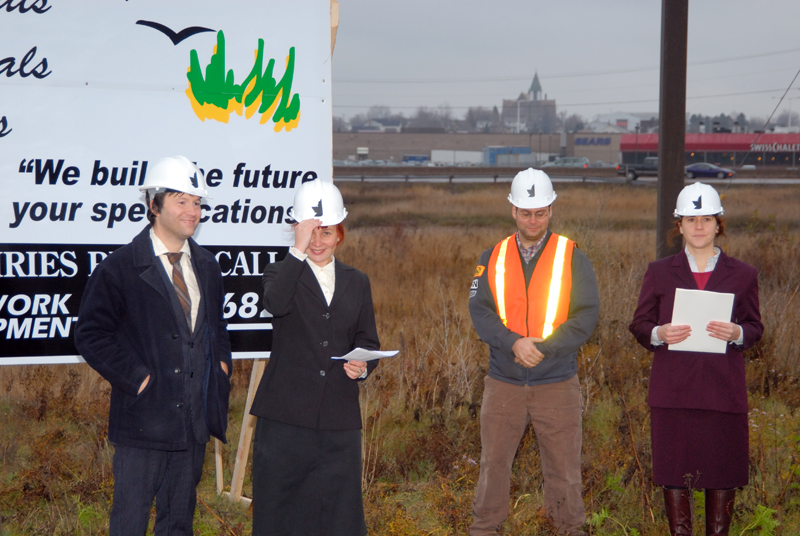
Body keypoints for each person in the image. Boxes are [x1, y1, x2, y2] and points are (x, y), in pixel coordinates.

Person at [74, 156, 232, 536]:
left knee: (178, 523)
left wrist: (222, 368)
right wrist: (139, 378)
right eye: (181, 201)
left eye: (197, 202)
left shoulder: (208, 266)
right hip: (143, 423)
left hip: (192, 424)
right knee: (129, 522)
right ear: (153, 205)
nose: (192, 211)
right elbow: (91, 334)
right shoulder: (119, 267)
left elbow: (217, 330)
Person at [468, 168, 599, 536]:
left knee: (563, 472)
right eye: (526, 212)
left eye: (540, 212)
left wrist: (543, 348)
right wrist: (514, 343)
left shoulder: (572, 255)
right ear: (512, 210)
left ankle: (568, 530)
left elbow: (586, 315)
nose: (533, 220)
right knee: (493, 466)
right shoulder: (491, 257)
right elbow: (480, 311)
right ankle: (485, 530)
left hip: (556, 381)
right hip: (503, 381)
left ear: (552, 208)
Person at [629, 182, 763, 536]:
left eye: (706, 219)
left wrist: (738, 334)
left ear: (719, 224)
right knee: (675, 475)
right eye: (691, 219)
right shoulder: (659, 272)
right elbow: (640, 324)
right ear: (680, 226)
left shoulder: (744, 274)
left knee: (722, 474)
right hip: (673, 393)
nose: (699, 226)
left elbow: (755, 327)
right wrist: (659, 333)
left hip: (723, 393)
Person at [249, 179, 380, 536]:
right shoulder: (280, 272)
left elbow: (367, 338)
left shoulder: (357, 281)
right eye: (311, 233)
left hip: (339, 419)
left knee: (340, 513)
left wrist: (363, 366)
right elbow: (276, 304)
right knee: (280, 510)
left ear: (340, 234)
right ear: (297, 232)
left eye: (326, 232)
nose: (318, 242)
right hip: (286, 417)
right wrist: (297, 250)